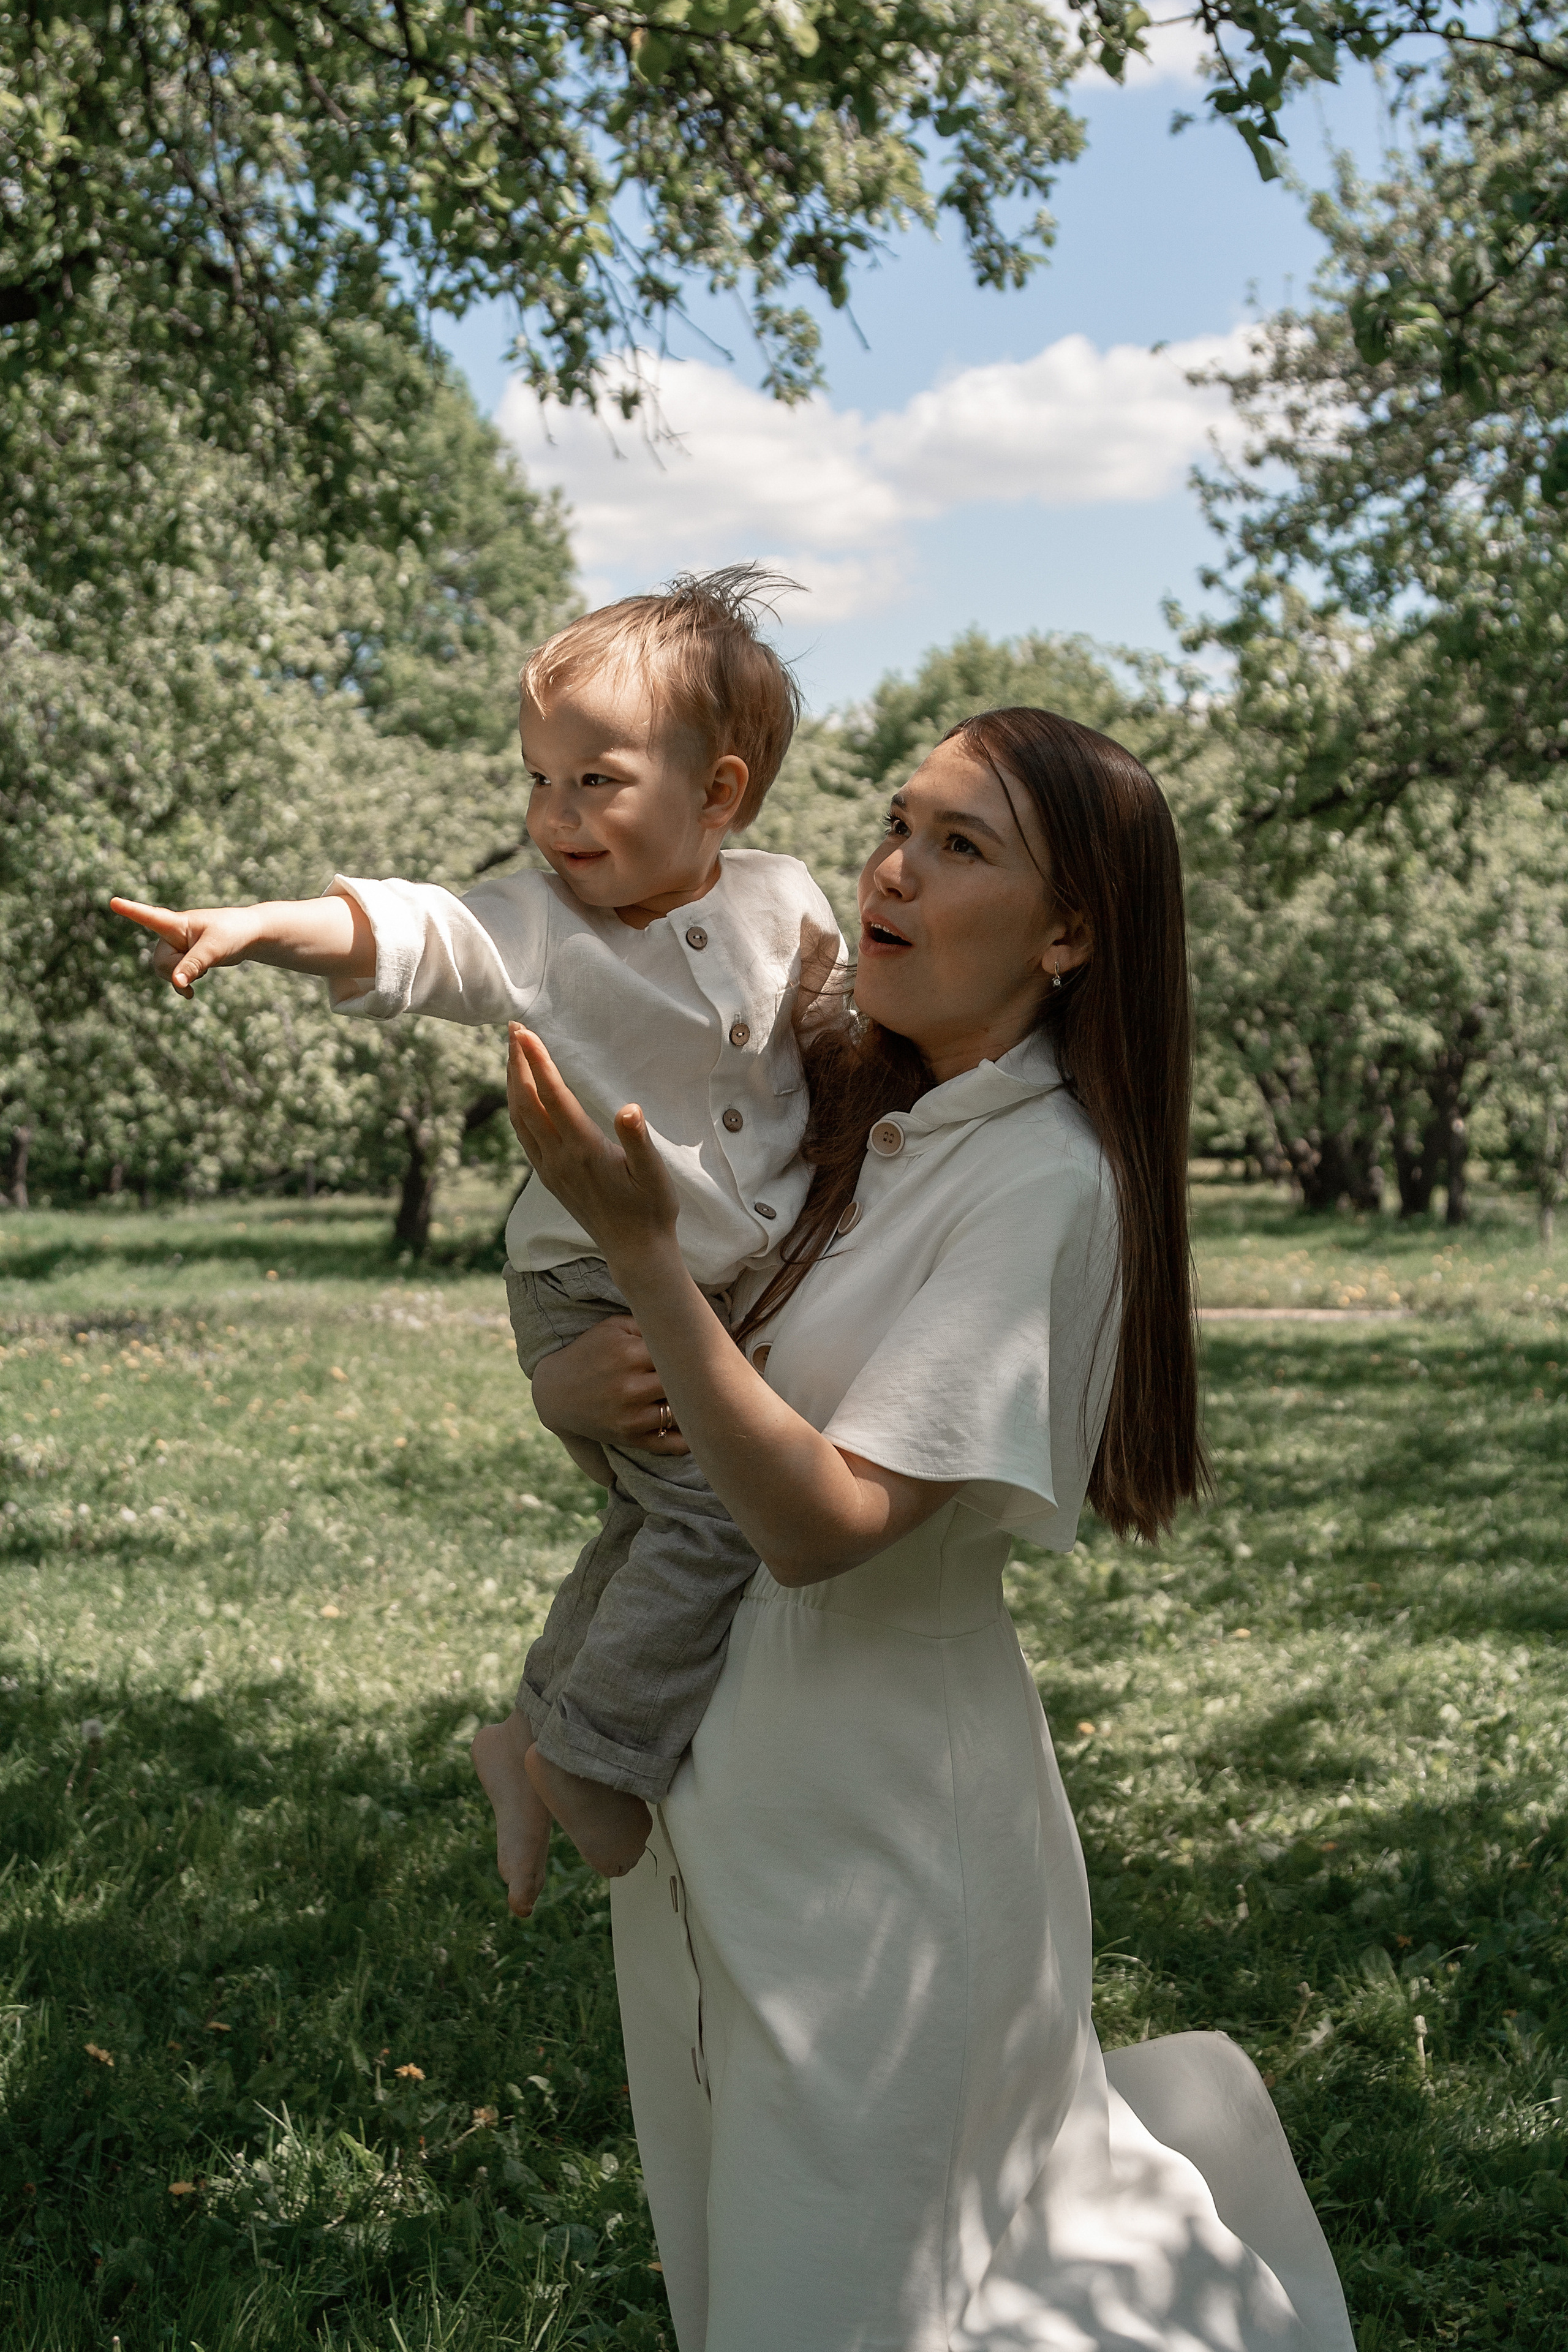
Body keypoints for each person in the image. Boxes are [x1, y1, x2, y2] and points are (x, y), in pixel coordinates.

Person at [506, 706, 1356, 2350]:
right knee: (736, 2266)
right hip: (725, 1804)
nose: (892, 870)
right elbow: (693, 1440)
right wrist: (576, 1390)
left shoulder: (1043, 1179)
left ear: (1070, 932)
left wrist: (652, 1264)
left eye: (961, 846)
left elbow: (824, 1524)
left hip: (880, 1852)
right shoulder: (853, 1127)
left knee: (869, 2301)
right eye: (901, 824)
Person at [109, 566, 843, 1917]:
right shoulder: (539, 927)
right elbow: (415, 931)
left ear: (719, 795)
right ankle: (590, 1757)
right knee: (712, 1509)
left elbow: (838, 1040)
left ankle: (522, 1733)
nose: (551, 817)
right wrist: (262, 927)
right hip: (589, 1276)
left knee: (651, 1510)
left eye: (594, 784)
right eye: (539, 780)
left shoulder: (787, 901)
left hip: (699, 1285)